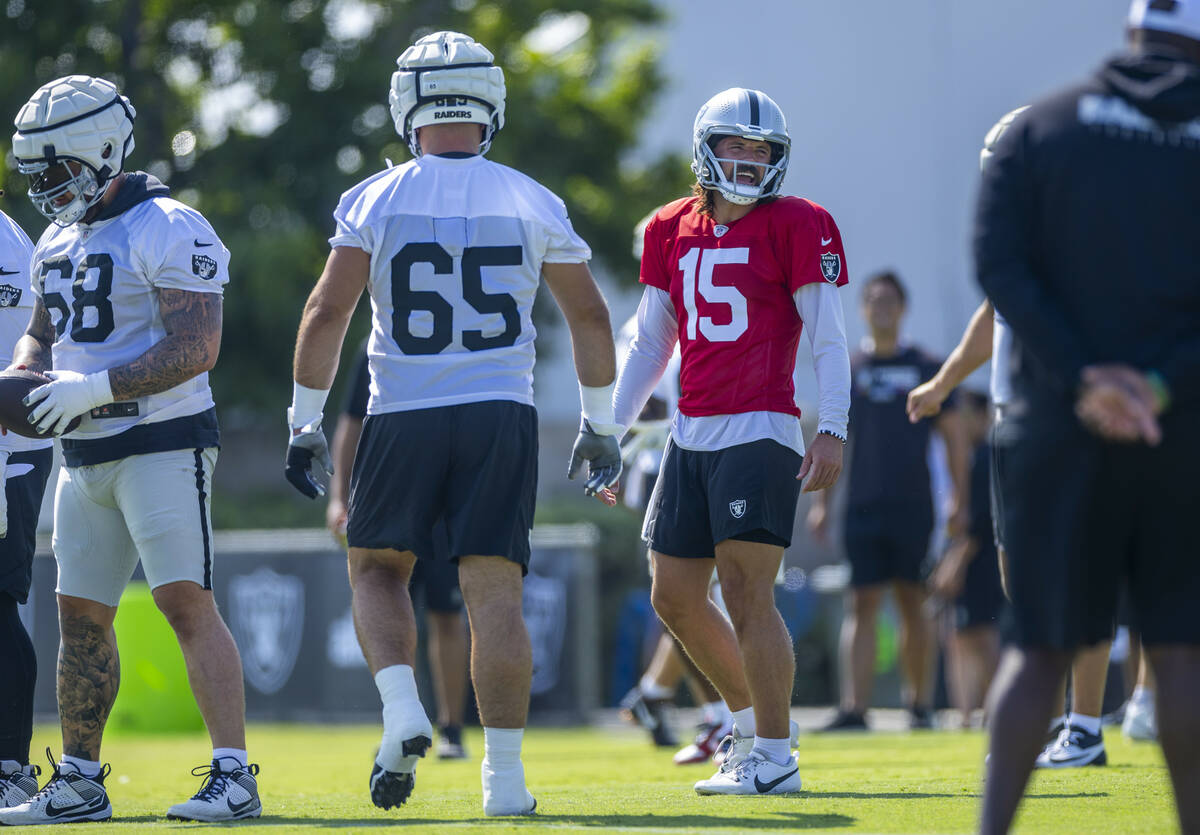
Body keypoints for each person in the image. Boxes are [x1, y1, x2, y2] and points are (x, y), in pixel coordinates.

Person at [284, 31, 621, 816]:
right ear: (492, 100)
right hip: (501, 410)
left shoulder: (373, 196)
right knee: (494, 592)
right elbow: (592, 315)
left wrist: (304, 420)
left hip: (402, 408)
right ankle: (504, 783)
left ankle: (404, 709)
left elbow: (328, 309)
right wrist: (600, 421)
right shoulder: (533, 198)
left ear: (406, 103)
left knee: (374, 568)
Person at [0, 75, 260, 825]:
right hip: (82, 453)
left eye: (57, 171)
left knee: (185, 602)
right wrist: (25, 370)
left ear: (103, 151)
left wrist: (95, 387)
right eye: (37, 176)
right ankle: (79, 778)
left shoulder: (171, 224)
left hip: (162, 439)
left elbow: (197, 345)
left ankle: (235, 774)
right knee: (78, 615)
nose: (46, 189)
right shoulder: (54, 239)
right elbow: (41, 333)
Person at [974, 2, 1200, 831]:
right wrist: (1155, 387)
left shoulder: (1043, 126)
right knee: (1178, 650)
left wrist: (1085, 377)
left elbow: (997, 263)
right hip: (1177, 432)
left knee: (1035, 650)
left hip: (1053, 428)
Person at [613, 87, 851, 795]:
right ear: (705, 148)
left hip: (760, 428)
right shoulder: (667, 226)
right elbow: (652, 342)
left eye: (760, 150)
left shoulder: (799, 222)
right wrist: (609, 430)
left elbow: (829, 338)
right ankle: (751, 728)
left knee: (749, 592)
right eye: (735, 146)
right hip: (689, 435)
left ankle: (775, 754)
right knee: (674, 595)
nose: (748, 160)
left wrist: (832, 426)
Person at [808, 270, 968, 731]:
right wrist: (822, 504)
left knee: (914, 603)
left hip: (915, 504)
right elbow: (834, 435)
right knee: (861, 603)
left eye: (889, 301)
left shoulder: (926, 366)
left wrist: (959, 498)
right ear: (862, 309)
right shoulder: (851, 370)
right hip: (863, 505)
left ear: (903, 308)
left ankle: (919, 706)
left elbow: (955, 438)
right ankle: (854, 708)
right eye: (873, 301)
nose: (881, 308)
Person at [326, 344, 470, 760]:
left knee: (445, 612)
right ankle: (400, 719)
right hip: (392, 495)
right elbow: (351, 422)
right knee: (387, 599)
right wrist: (339, 498)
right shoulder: (376, 342)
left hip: (441, 503)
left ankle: (452, 729)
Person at [0, 206, 54, 808]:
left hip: (7, 448)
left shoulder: (10, 246)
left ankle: (10, 763)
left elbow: (23, 367)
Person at [926, 390, 1003, 729]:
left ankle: (998, 708)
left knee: (983, 635)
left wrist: (955, 561)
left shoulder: (988, 457)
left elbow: (981, 522)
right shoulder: (966, 457)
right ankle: (969, 713)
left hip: (981, 559)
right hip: (965, 555)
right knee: (961, 635)